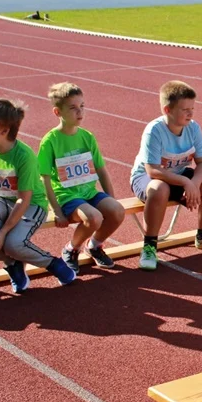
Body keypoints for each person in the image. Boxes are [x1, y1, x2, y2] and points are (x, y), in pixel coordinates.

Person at [0, 99, 76, 293]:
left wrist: (3, 231)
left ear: (4, 131)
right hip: (2, 200)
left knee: (12, 243)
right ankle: (12, 266)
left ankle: (53, 264)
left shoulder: (24, 156)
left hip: (31, 205)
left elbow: (24, 199)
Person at [129, 81, 202, 271]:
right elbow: (153, 170)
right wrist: (186, 182)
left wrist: (194, 182)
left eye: (192, 108)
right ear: (168, 110)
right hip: (147, 179)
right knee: (160, 188)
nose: (190, 114)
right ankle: (149, 246)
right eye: (185, 110)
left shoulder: (193, 128)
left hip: (178, 176)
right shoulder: (154, 130)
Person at [38, 83, 125, 273]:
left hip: (89, 193)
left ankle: (94, 245)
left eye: (82, 106)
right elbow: (44, 180)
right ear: (57, 112)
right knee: (94, 218)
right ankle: (71, 249)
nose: (80, 112)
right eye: (73, 108)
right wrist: (57, 211)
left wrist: (110, 197)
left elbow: (101, 170)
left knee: (118, 211)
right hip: (67, 196)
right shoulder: (50, 141)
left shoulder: (87, 137)